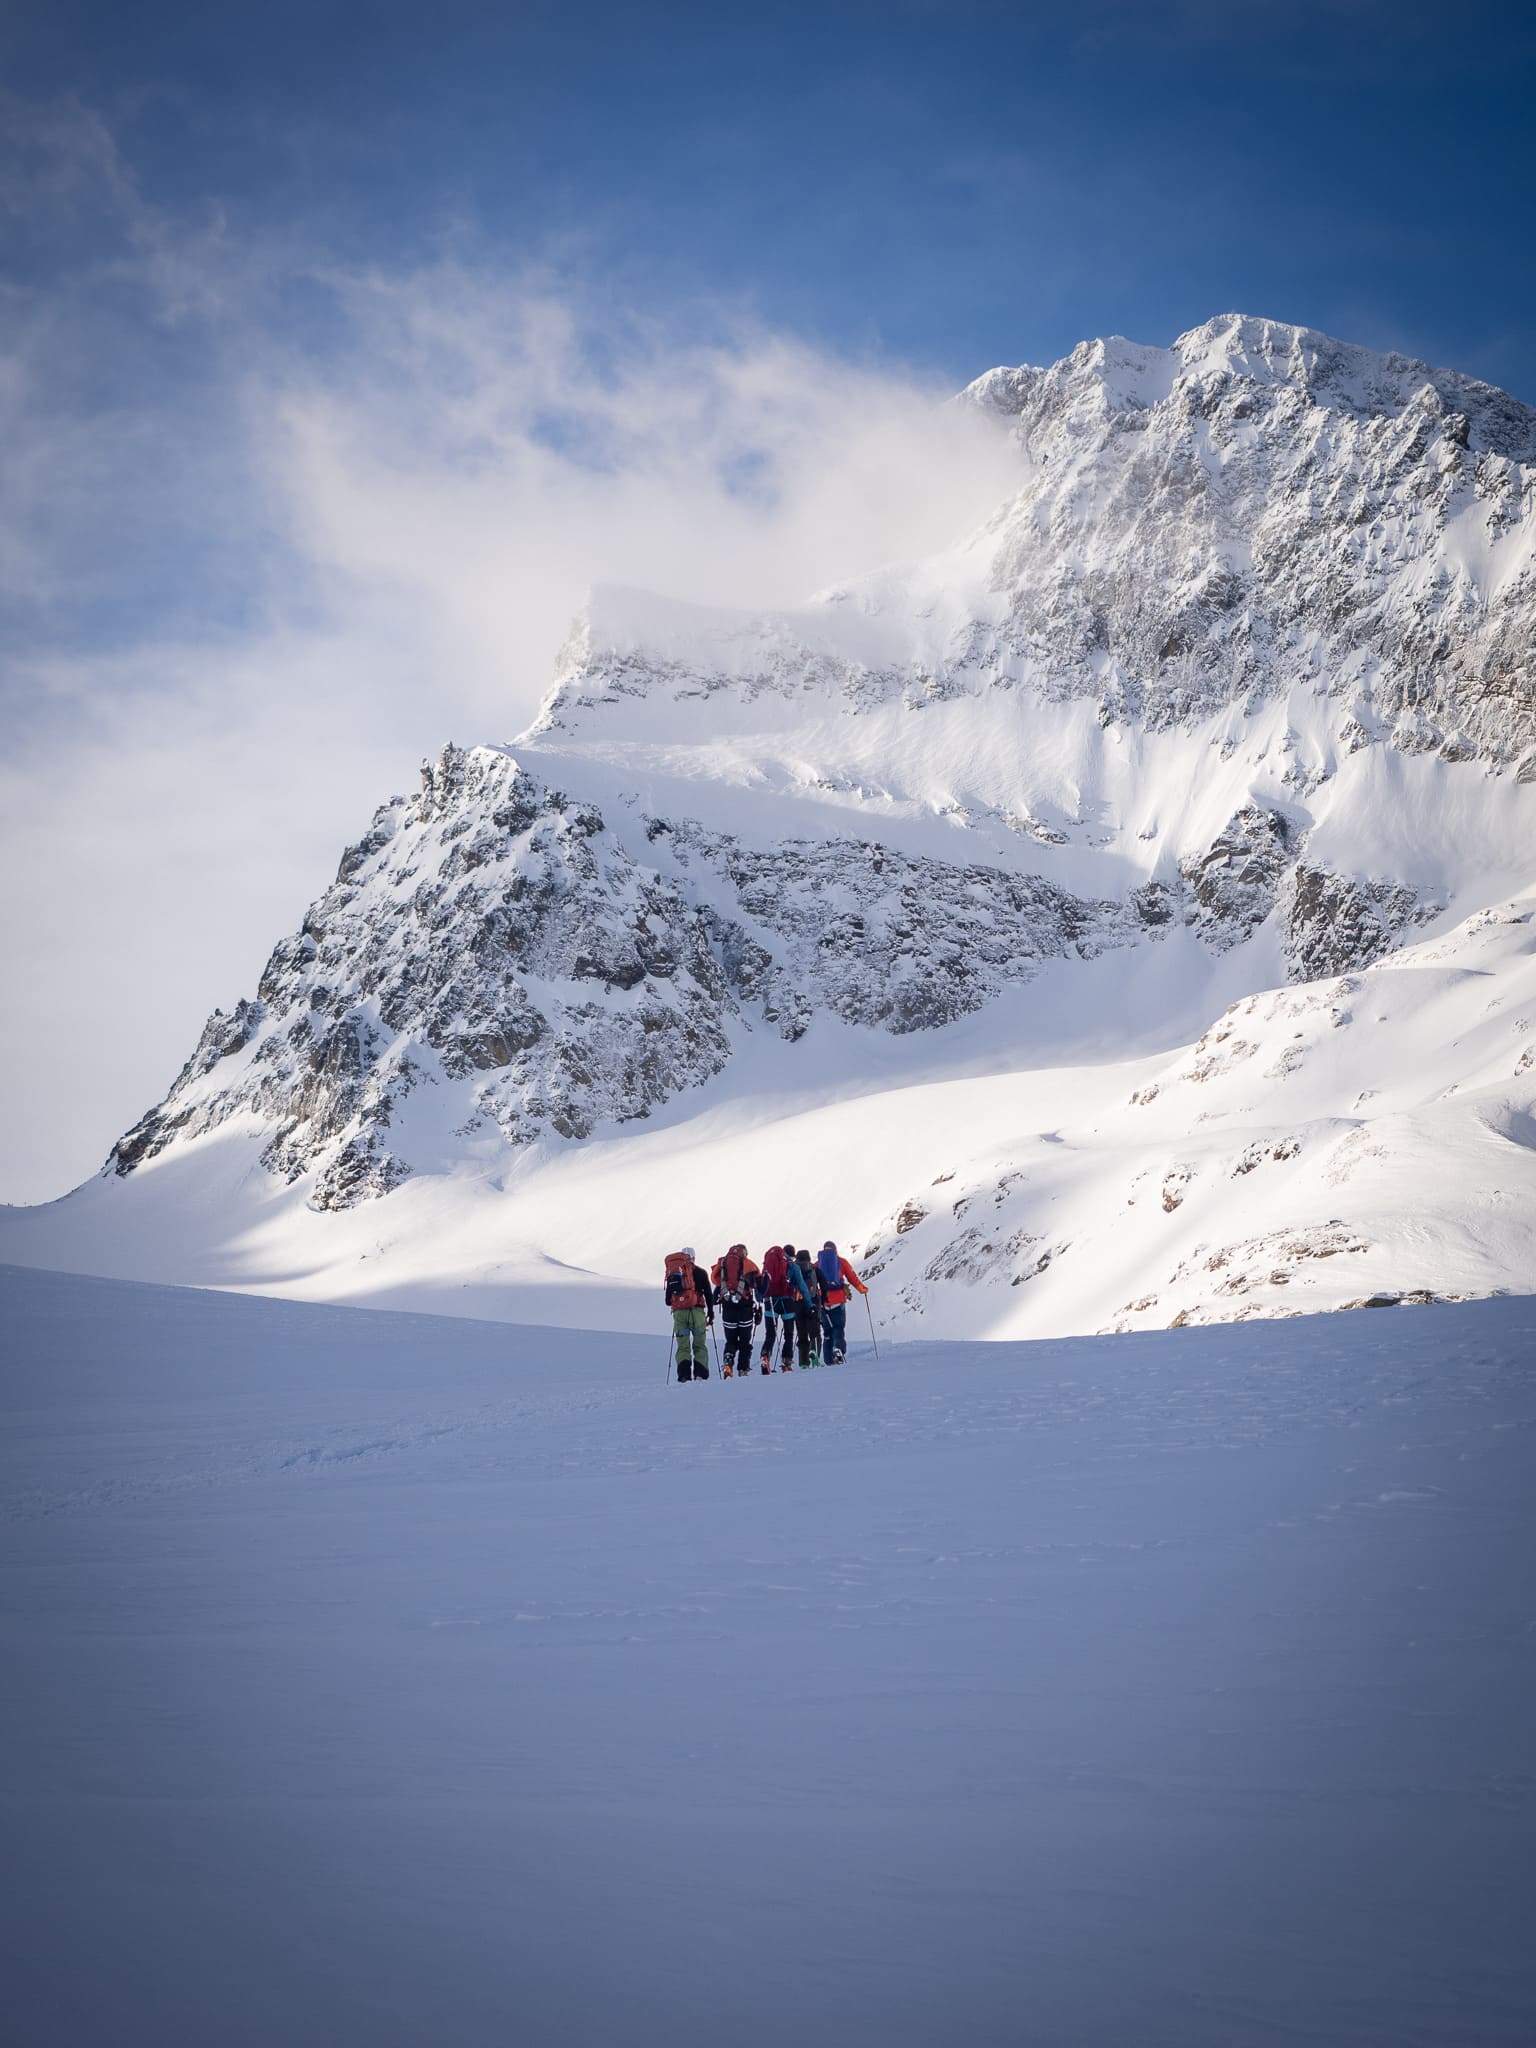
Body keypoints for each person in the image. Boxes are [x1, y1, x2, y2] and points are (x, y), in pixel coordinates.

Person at [664, 1246, 714, 1382]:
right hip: (697, 1313)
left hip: (680, 1315)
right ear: (694, 1257)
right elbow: (709, 1295)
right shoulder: (701, 1273)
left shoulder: (673, 1274)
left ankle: (684, 1375)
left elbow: (667, 1301)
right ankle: (700, 1375)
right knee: (699, 1345)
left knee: (683, 1347)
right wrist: (711, 1313)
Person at [758, 1241, 810, 1372]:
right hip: (788, 1302)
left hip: (770, 1302)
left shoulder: (768, 1264)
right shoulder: (792, 1266)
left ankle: (765, 1356)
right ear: (792, 1256)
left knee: (770, 1334)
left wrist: (759, 1299)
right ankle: (786, 1362)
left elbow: (761, 1283)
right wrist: (809, 1304)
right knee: (788, 1334)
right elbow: (802, 1286)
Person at [711, 1243, 760, 1378]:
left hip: (727, 1309)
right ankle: (743, 1369)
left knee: (731, 1341)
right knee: (745, 1342)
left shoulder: (722, 1265)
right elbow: (758, 1285)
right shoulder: (748, 1264)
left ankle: (728, 1361)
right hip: (745, 1309)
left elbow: (716, 1284)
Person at [815, 1241, 868, 1363]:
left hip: (823, 1302)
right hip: (838, 1301)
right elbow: (852, 1277)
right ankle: (838, 1350)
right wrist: (862, 1289)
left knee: (827, 1332)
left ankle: (828, 1360)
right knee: (838, 1327)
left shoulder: (818, 1264)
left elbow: (810, 1280)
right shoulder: (841, 1262)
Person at [792, 1249, 823, 1366]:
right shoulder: (814, 1269)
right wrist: (823, 1298)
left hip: (798, 1304)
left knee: (802, 1334)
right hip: (813, 1303)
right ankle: (814, 1352)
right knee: (815, 1332)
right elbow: (823, 1285)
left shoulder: (793, 1269)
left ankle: (803, 1362)